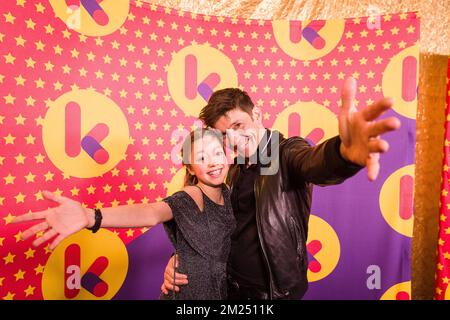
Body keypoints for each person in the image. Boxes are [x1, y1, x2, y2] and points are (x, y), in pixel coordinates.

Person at [160, 77, 401, 300]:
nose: (233, 139)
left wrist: (342, 154)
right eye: (224, 134)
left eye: (239, 125)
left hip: (273, 294)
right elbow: (218, 228)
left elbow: (314, 163)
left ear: (257, 115)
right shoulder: (232, 170)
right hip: (228, 290)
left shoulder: (284, 153)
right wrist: (184, 258)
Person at [12, 128, 236, 300]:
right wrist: (92, 216)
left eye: (217, 152)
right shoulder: (191, 196)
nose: (213, 162)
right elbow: (151, 213)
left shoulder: (229, 193)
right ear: (189, 167)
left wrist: (178, 255)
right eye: (202, 157)